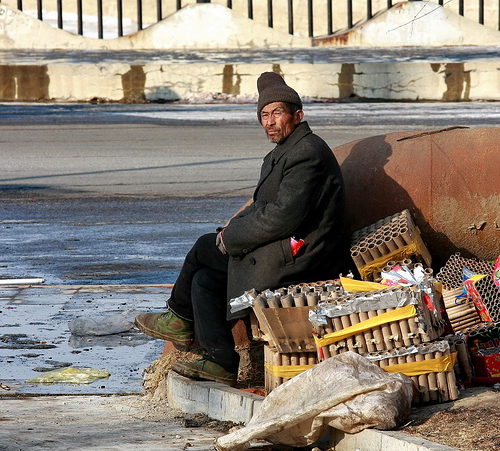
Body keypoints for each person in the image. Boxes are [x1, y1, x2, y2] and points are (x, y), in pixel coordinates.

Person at [134, 71, 349, 386]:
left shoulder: (307, 153)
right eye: (264, 115)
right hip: (284, 247)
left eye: (277, 113)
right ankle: (220, 359)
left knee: (205, 247)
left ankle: (178, 316)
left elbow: (282, 217)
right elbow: (264, 208)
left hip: (304, 256)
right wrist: (231, 233)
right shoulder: (283, 154)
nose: (269, 122)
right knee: (206, 279)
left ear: (298, 115)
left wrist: (229, 238)